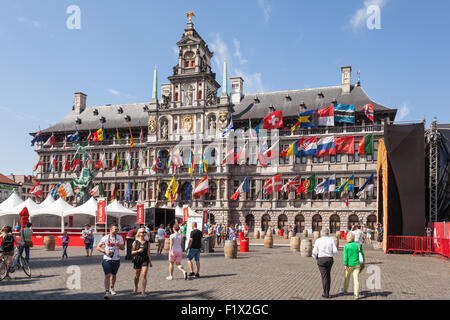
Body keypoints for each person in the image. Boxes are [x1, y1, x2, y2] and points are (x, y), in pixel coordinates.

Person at [97, 224, 125, 299]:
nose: (116, 231)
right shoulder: (105, 237)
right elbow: (98, 247)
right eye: (115, 229)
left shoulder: (119, 237)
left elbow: (123, 248)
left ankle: (112, 288)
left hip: (116, 259)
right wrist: (104, 251)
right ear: (110, 229)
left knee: (114, 275)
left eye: (117, 229)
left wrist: (118, 245)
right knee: (107, 275)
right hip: (107, 259)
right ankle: (107, 292)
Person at [312, 228, 338, 298]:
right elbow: (335, 251)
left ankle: (325, 293)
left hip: (321, 259)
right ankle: (327, 292)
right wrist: (329, 252)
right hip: (329, 259)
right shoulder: (331, 240)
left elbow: (314, 252)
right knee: (328, 275)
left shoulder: (318, 240)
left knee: (324, 276)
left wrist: (315, 257)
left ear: (321, 233)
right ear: (328, 233)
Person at [343, 232, 365, 299]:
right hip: (357, 264)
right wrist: (363, 261)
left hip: (349, 265)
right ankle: (356, 294)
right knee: (356, 280)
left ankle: (345, 290)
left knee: (347, 278)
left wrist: (345, 264)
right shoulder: (358, 245)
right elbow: (362, 254)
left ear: (348, 238)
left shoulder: (346, 246)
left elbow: (345, 256)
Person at [131, 227, 152, 297]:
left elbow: (148, 253)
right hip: (137, 259)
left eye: (145, 232)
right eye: (142, 232)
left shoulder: (147, 242)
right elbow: (131, 252)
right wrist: (138, 251)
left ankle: (143, 292)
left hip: (145, 260)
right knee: (137, 276)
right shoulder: (135, 242)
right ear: (139, 233)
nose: (144, 233)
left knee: (144, 275)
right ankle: (136, 287)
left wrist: (150, 261)